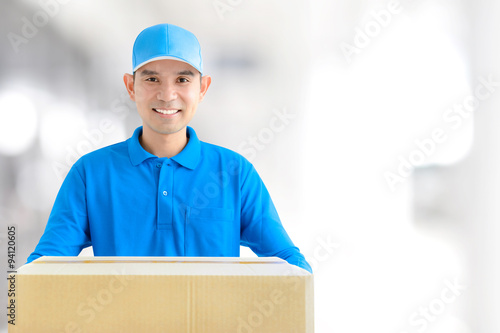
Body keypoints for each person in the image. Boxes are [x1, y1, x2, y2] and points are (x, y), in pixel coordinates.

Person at [27, 23, 312, 273]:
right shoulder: (90, 175)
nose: (167, 94)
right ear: (130, 86)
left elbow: (292, 266)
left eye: (182, 80)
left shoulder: (235, 174)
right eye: (152, 79)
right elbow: (42, 269)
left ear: (202, 88)